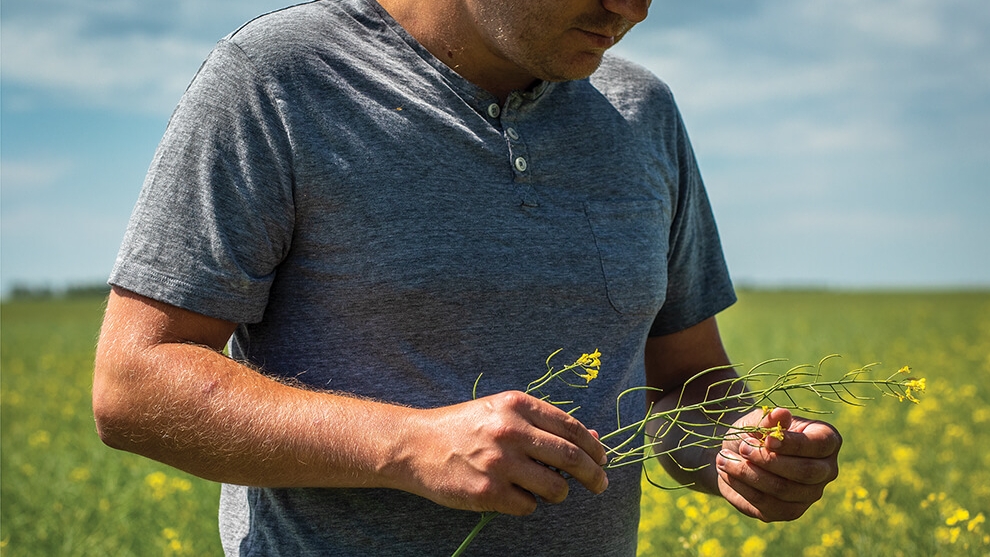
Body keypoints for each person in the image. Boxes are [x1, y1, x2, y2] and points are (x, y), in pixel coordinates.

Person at [92, 0, 842, 555]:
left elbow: (689, 378)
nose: (632, 9)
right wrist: (409, 444)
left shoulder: (641, 112)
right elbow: (134, 383)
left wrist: (738, 449)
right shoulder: (278, 80)